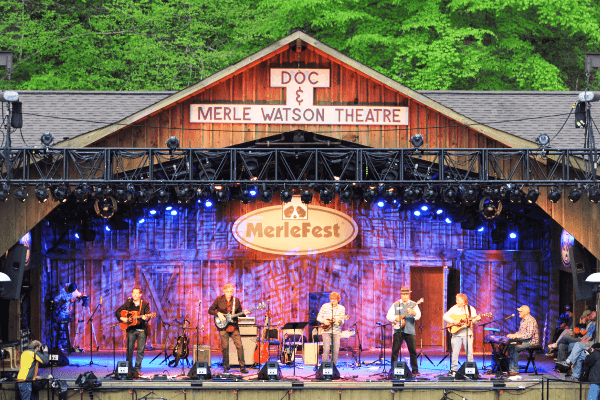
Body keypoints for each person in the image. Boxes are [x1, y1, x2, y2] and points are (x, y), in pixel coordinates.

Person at [208, 283, 248, 373]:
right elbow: (210, 310)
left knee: (240, 346)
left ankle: (242, 367)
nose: (229, 294)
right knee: (225, 347)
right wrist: (218, 313)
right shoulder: (219, 300)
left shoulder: (236, 301)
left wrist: (244, 314)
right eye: (227, 292)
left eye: (230, 292)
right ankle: (226, 366)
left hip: (233, 326)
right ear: (224, 291)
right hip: (223, 327)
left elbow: (239, 313)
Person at [116, 287, 152, 376]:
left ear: (140, 295)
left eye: (137, 293)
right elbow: (118, 311)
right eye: (133, 293)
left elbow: (148, 316)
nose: (135, 295)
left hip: (142, 330)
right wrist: (122, 318)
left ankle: (137, 369)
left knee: (140, 351)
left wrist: (146, 318)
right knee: (129, 350)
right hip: (131, 329)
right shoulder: (129, 303)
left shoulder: (145, 304)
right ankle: (129, 369)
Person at [386, 287, 421, 376]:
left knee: (412, 351)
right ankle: (393, 370)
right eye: (403, 294)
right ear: (401, 295)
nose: (405, 296)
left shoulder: (414, 304)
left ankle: (415, 370)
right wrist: (395, 318)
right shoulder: (396, 304)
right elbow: (388, 316)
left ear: (408, 295)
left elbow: (418, 316)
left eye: (406, 294)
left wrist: (414, 313)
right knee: (395, 351)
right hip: (398, 330)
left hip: (410, 330)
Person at [443, 293, 479, 376]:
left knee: (469, 354)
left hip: (468, 334)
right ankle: (453, 371)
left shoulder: (470, 309)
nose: (456, 301)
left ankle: (470, 371)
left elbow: (475, 321)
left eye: (458, 300)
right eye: (456, 300)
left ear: (463, 301)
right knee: (455, 354)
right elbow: (445, 316)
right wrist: (453, 321)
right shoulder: (454, 308)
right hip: (456, 334)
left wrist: (477, 319)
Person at [506, 305, 540, 376]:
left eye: (520, 311)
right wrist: (514, 335)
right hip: (524, 340)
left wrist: (516, 336)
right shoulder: (523, 320)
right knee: (510, 345)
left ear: (525, 312)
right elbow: (521, 333)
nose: (519, 313)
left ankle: (514, 370)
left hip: (531, 341)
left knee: (515, 347)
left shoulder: (530, 320)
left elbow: (529, 335)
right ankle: (512, 368)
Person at [317, 292, 346, 365]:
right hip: (326, 331)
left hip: (336, 331)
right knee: (326, 349)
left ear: (338, 300)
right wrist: (324, 321)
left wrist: (339, 321)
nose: (333, 302)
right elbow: (318, 317)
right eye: (331, 300)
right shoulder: (325, 306)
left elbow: (342, 321)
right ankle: (324, 366)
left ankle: (333, 366)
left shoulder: (341, 308)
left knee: (335, 350)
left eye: (334, 300)